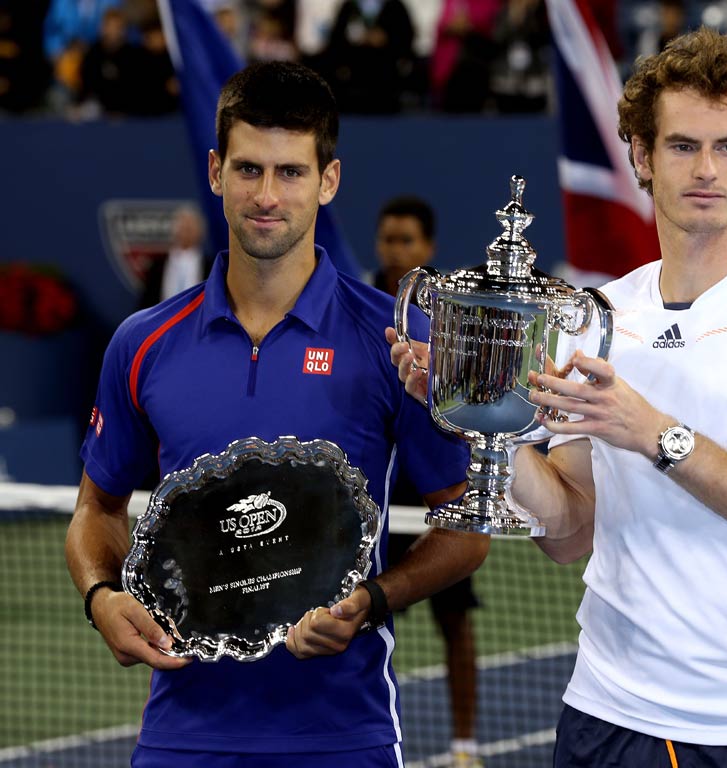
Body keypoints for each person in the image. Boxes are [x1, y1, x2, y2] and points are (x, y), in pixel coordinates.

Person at [389, 26, 727, 766]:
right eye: (682, 146)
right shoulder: (595, 315)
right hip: (603, 712)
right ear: (643, 158)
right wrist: (477, 410)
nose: (706, 169)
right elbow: (568, 532)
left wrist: (659, 436)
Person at [65, 60, 489, 768]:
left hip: (343, 739)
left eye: (290, 172)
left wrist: (375, 601)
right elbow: (96, 509)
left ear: (329, 180)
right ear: (214, 171)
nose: (267, 196)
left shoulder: (395, 342)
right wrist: (101, 597)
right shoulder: (142, 345)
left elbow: (464, 529)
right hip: (180, 737)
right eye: (248, 169)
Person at [371, 195, 485, 768]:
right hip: (375, 494)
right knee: (361, 616)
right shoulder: (360, 306)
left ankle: (464, 747)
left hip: (434, 484)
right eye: (388, 239)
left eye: (407, 241)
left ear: (428, 249)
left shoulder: (450, 316)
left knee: (455, 622)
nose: (395, 250)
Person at [138, 205, 211, 311]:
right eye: (182, 226)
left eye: (190, 227)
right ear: (174, 229)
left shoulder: (212, 267)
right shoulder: (157, 266)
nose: (186, 231)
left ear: (200, 231)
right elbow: (146, 304)